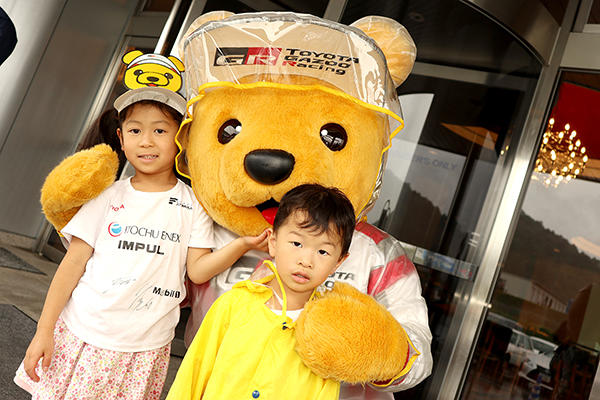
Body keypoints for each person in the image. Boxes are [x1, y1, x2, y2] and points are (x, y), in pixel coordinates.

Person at [14, 84, 268, 400]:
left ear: (181, 139)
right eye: (135, 130)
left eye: (160, 130)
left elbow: (198, 271)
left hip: (145, 346)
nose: (146, 141)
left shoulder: (194, 205)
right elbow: (72, 264)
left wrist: (242, 244)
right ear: (121, 138)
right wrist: (44, 330)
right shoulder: (108, 196)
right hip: (83, 333)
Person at [166, 183, 356, 400]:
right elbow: (194, 371)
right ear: (273, 243)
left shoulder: (327, 329)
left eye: (323, 251)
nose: (306, 260)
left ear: (338, 262)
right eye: (296, 243)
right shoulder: (234, 304)